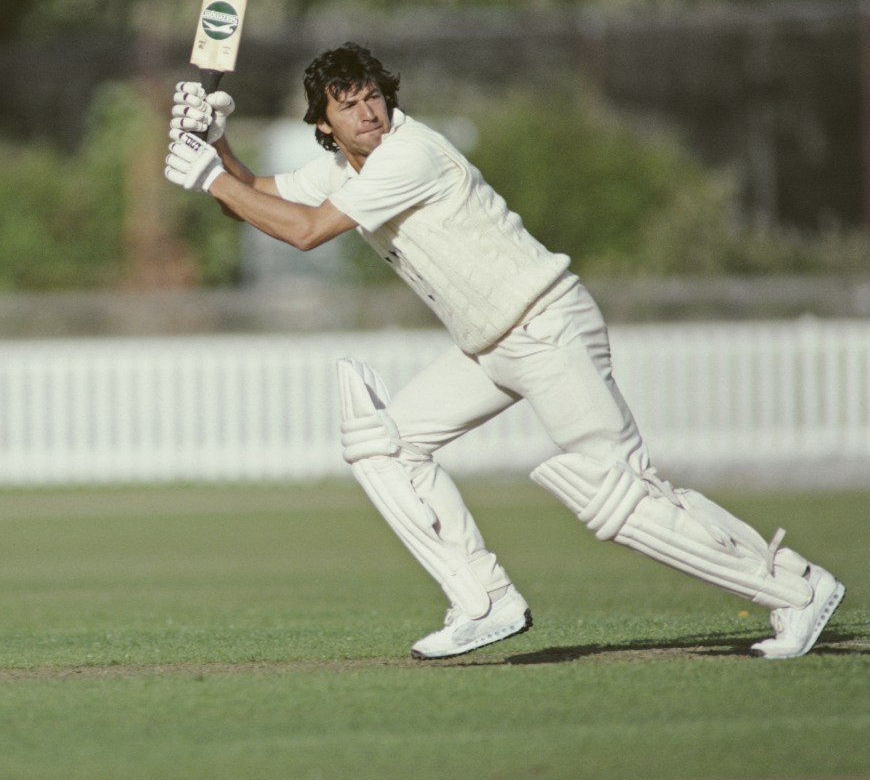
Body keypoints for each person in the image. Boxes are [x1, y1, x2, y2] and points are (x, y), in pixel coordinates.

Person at [165, 41, 845, 660]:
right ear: (325, 124)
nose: (369, 110)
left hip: (544, 322)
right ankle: (483, 600)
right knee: (383, 443)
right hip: (489, 343)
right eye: (349, 104)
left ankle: (797, 589)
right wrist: (219, 149)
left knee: (617, 492)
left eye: (374, 94)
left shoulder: (410, 152)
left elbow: (307, 232)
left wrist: (207, 176)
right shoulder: (344, 170)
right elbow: (260, 199)